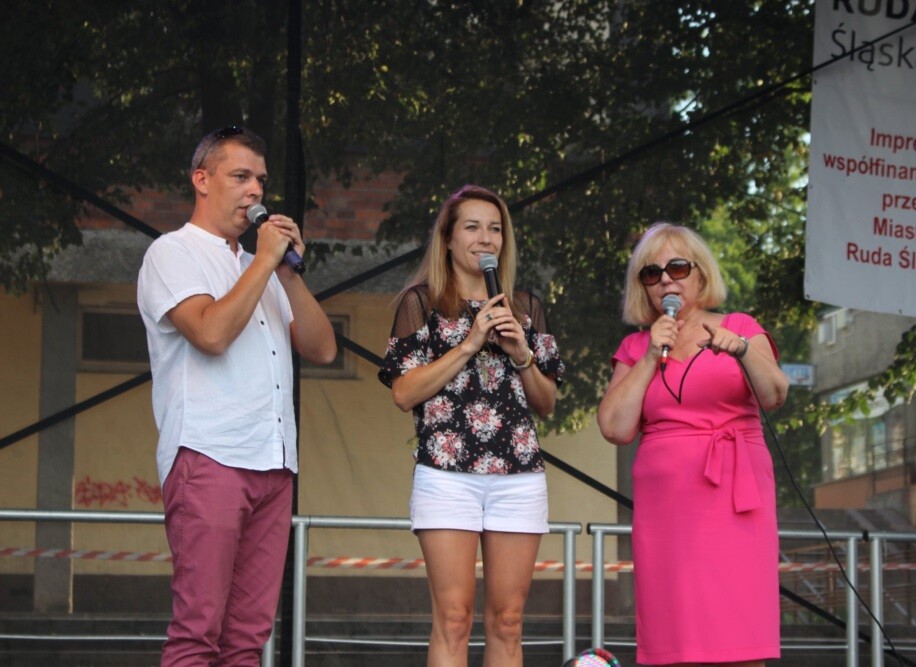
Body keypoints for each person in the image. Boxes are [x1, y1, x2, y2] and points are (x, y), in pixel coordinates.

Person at [137, 125, 336, 666]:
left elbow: (322, 349)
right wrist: (265, 262)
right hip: (209, 456)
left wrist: (288, 274)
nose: (255, 191)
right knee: (198, 631)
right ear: (202, 180)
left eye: (261, 180)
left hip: (274, 462)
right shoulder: (171, 252)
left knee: (247, 638)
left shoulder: (263, 269)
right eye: (241, 176)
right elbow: (210, 333)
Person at [379, 184, 565, 666]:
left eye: (495, 229)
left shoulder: (525, 307)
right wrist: (468, 344)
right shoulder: (421, 303)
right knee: (454, 616)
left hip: (518, 476)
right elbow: (403, 393)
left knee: (508, 620)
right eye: (473, 227)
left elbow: (546, 402)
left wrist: (522, 354)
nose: (486, 238)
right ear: (447, 238)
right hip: (447, 475)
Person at [596, 222, 787, 667]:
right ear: (643, 286)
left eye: (678, 268)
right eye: (652, 273)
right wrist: (650, 356)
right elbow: (615, 428)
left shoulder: (741, 327)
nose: (666, 280)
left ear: (701, 274)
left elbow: (775, 394)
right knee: (675, 639)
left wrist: (742, 350)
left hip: (735, 501)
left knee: (740, 635)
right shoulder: (636, 346)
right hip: (667, 511)